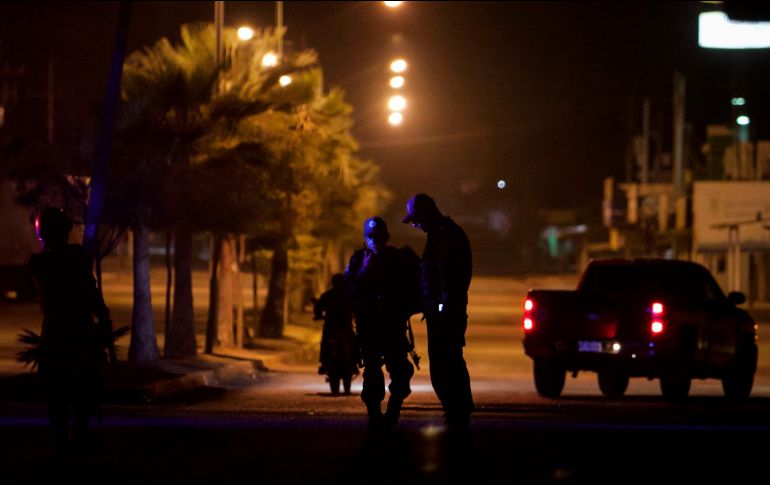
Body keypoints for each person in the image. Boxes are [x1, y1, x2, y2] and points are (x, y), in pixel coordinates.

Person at [27, 207, 112, 453]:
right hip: (73, 331)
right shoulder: (68, 259)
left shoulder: (43, 262)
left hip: (57, 332)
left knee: (62, 389)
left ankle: (65, 438)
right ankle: (74, 436)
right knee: (76, 387)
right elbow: (90, 292)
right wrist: (103, 318)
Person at [402, 193, 474, 429]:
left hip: (446, 314)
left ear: (426, 214)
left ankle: (459, 410)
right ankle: (457, 410)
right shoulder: (441, 235)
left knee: (447, 362)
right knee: (446, 362)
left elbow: (449, 276)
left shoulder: (446, 237)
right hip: (441, 311)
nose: (414, 224)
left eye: (415, 219)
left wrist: (441, 305)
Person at [345, 216, 420, 432]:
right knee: (372, 371)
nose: (374, 242)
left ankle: (394, 409)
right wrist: (362, 273)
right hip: (369, 326)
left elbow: (418, 277)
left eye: (378, 237)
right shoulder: (359, 259)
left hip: (393, 324)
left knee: (400, 371)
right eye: (370, 237)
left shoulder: (397, 258)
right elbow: (348, 287)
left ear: (385, 238)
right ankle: (375, 415)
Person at [312, 273, 360, 396]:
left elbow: (318, 310)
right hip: (344, 328)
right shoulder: (350, 296)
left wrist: (318, 315)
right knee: (354, 344)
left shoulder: (327, 296)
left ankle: (324, 363)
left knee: (325, 344)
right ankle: (355, 363)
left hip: (332, 328)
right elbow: (357, 310)